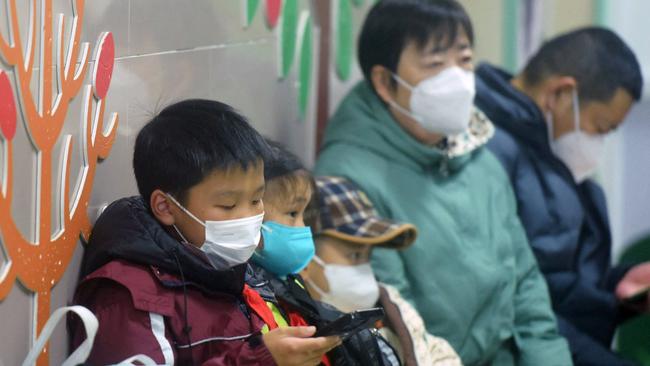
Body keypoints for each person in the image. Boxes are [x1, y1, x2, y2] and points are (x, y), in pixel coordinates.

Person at [315, 1, 572, 364]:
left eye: (464, 60)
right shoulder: (347, 179)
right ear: (385, 82)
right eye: (435, 63)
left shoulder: (478, 153)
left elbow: (526, 285)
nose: (457, 78)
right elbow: (401, 326)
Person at [69, 99, 340, 365]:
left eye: (257, 200)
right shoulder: (129, 297)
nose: (248, 217)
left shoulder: (234, 269)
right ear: (165, 206)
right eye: (228, 204)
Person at [475, 27, 649, 366]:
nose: (598, 144)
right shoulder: (488, 155)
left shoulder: (551, 153)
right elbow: (515, 303)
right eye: (600, 128)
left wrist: (621, 289)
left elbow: (557, 280)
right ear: (560, 93)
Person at [250, 140, 400, 365]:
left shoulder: (293, 293)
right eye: (292, 213)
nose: (302, 229)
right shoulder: (244, 300)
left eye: (305, 216)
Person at [304, 175, 462, 366]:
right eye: (354, 255)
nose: (364, 269)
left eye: (368, 256)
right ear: (305, 254)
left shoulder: (392, 308)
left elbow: (436, 352)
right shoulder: (294, 330)